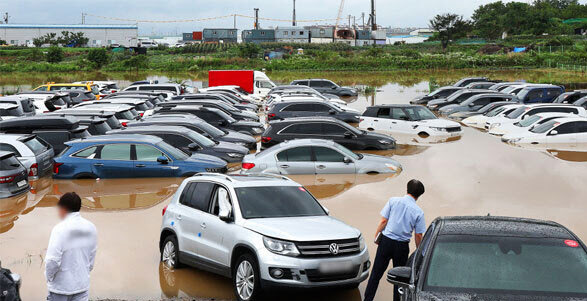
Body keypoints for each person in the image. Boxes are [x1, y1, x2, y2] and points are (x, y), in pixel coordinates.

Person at [364, 179, 426, 301]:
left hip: (386, 242)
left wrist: (377, 237)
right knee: (399, 279)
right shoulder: (418, 212)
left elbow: (383, 221)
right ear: (419, 195)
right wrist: (420, 253)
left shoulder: (393, 201)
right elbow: (418, 235)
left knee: (375, 275)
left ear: (407, 189)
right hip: (402, 247)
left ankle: (368, 299)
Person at [45, 192, 97, 301]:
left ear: (63, 208)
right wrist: (83, 273)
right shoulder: (91, 227)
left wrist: (49, 278)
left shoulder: (59, 229)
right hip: (82, 286)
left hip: (60, 288)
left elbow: (52, 261)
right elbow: (91, 258)